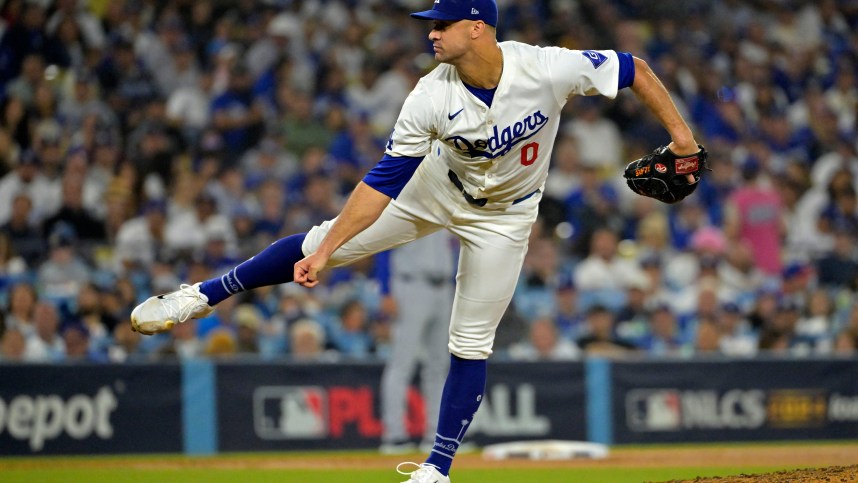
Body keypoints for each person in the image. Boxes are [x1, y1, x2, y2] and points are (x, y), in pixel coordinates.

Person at [131, 1, 702, 481]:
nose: (430, 32)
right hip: (436, 186)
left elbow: (634, 68)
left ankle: (436, 469)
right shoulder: (430, 94)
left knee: (471, 340)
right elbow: (381, 182)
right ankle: (201, 296)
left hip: (506, 216)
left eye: (440, 24)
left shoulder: (547, 68)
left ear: (476, 27)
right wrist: (328, 254)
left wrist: (682, 141)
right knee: (316, 242)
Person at [378, 231, 456, 455]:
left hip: (444, 288)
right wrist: (385, 290)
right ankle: (394, 435)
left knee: (439, 366)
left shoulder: (448, 204)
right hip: (410, 284)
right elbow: (382, 248)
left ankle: (436, 435)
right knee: (402, 363)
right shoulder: (404, 201)